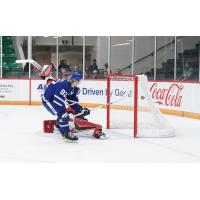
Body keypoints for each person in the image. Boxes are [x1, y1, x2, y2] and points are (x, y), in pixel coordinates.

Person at [42, 71, 90, 141]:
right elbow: (58, 102)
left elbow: (72, 102)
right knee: (64, 116)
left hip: (55, 99)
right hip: (48, 101)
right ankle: (66, 134)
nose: (80, 82)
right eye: (79, 80)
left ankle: (58, 124)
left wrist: (80, 109)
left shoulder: (72, 87)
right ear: (75, 80)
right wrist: (63, 114)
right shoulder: (63, 87)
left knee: (66, 114)